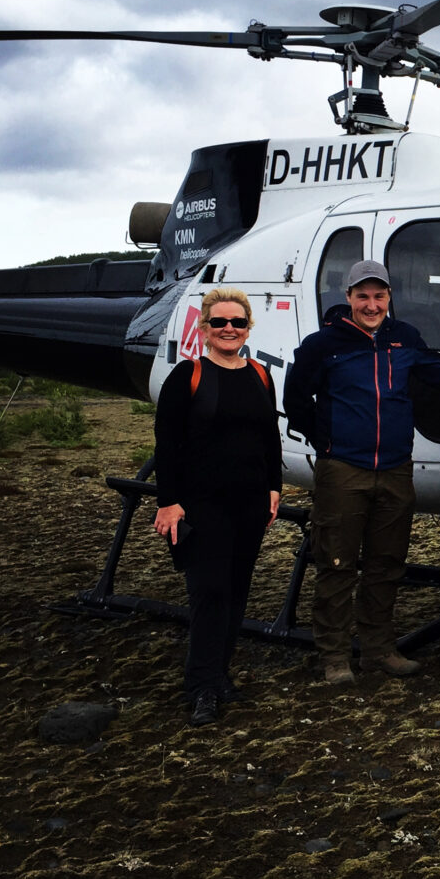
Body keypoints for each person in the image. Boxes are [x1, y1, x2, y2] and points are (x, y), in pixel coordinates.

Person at [284, 261, 440, 685]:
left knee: (387, 563)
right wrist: (324, 441)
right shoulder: (323, 345)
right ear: (348, 298)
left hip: (394, 470)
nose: (372, 304)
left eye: (379, 296)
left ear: (389, 298)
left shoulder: (404, 339)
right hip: (342, 471)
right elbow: (296, 398)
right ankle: (333, 656)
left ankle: (379, 649)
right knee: (336, 563)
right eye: (363, 296)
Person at [153, 288, 281, 727]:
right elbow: (166, 446)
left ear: (249, 328)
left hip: (249, 504)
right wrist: (167, 502)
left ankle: (221, 675)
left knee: (237, 591)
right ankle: (201, 686)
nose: (230, 329)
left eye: (238, 322)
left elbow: (270, 438)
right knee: (210, 592)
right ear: (204, 328)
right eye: (220, 322)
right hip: (202, 506)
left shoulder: (261, 375)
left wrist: (274, 488)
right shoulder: (186, 376)